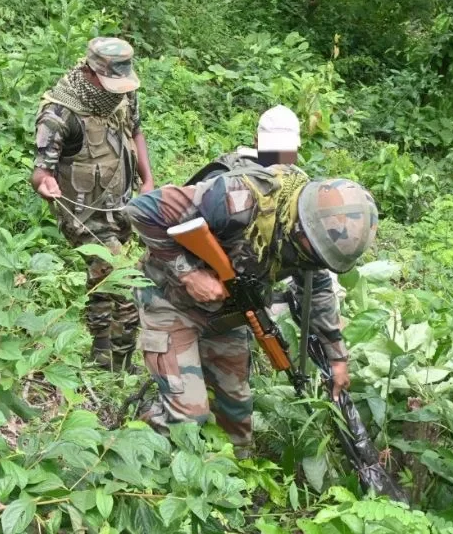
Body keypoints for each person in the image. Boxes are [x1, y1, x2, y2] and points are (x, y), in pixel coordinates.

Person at [125, 164, 377, 457]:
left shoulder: (313, 244)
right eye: (312, 252)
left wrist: (336, 356)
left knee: (237, 416)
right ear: (301, 224)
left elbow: (316, 290)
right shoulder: (237, 199)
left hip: (228, 310)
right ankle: (140, 450)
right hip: (168, 300)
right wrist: (188, 273)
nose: (312, 260)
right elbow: (142, 210)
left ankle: (230, 481)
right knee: (188, 416)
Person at [31, 37, 154, 371]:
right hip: (83, 215)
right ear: (90, 71)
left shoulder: (123, 94)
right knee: (127, 284)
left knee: (101, 279)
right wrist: (47, 184)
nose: (118, 91)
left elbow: (136, 131)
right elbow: (40, 172)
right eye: (111, 83)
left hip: (119, 205)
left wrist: (148, 181)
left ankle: (99, 350)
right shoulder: (59, 112)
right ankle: (121, 367)